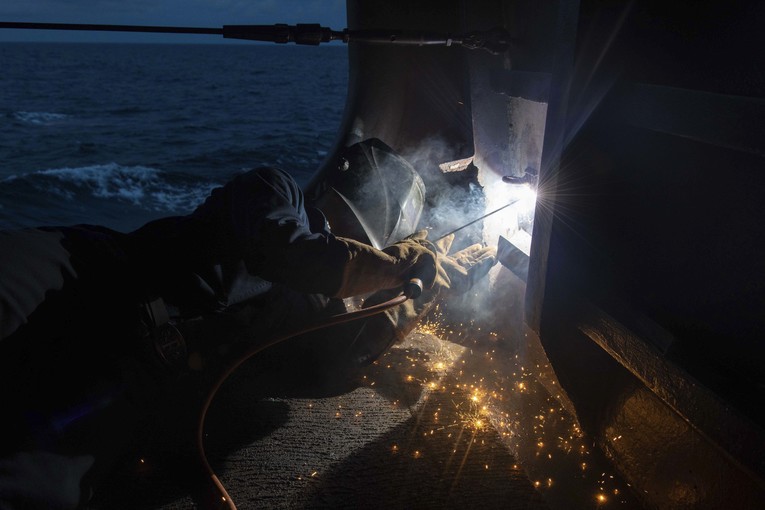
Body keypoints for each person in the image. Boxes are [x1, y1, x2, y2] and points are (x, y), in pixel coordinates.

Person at [0, 148, 496, 508]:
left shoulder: (318, 308)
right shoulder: (273, 189)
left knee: (35, 492)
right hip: (83, 274)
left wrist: (421, 293)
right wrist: (393, 270)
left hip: (128, 376)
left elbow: (335, 364)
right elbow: (286, 250)